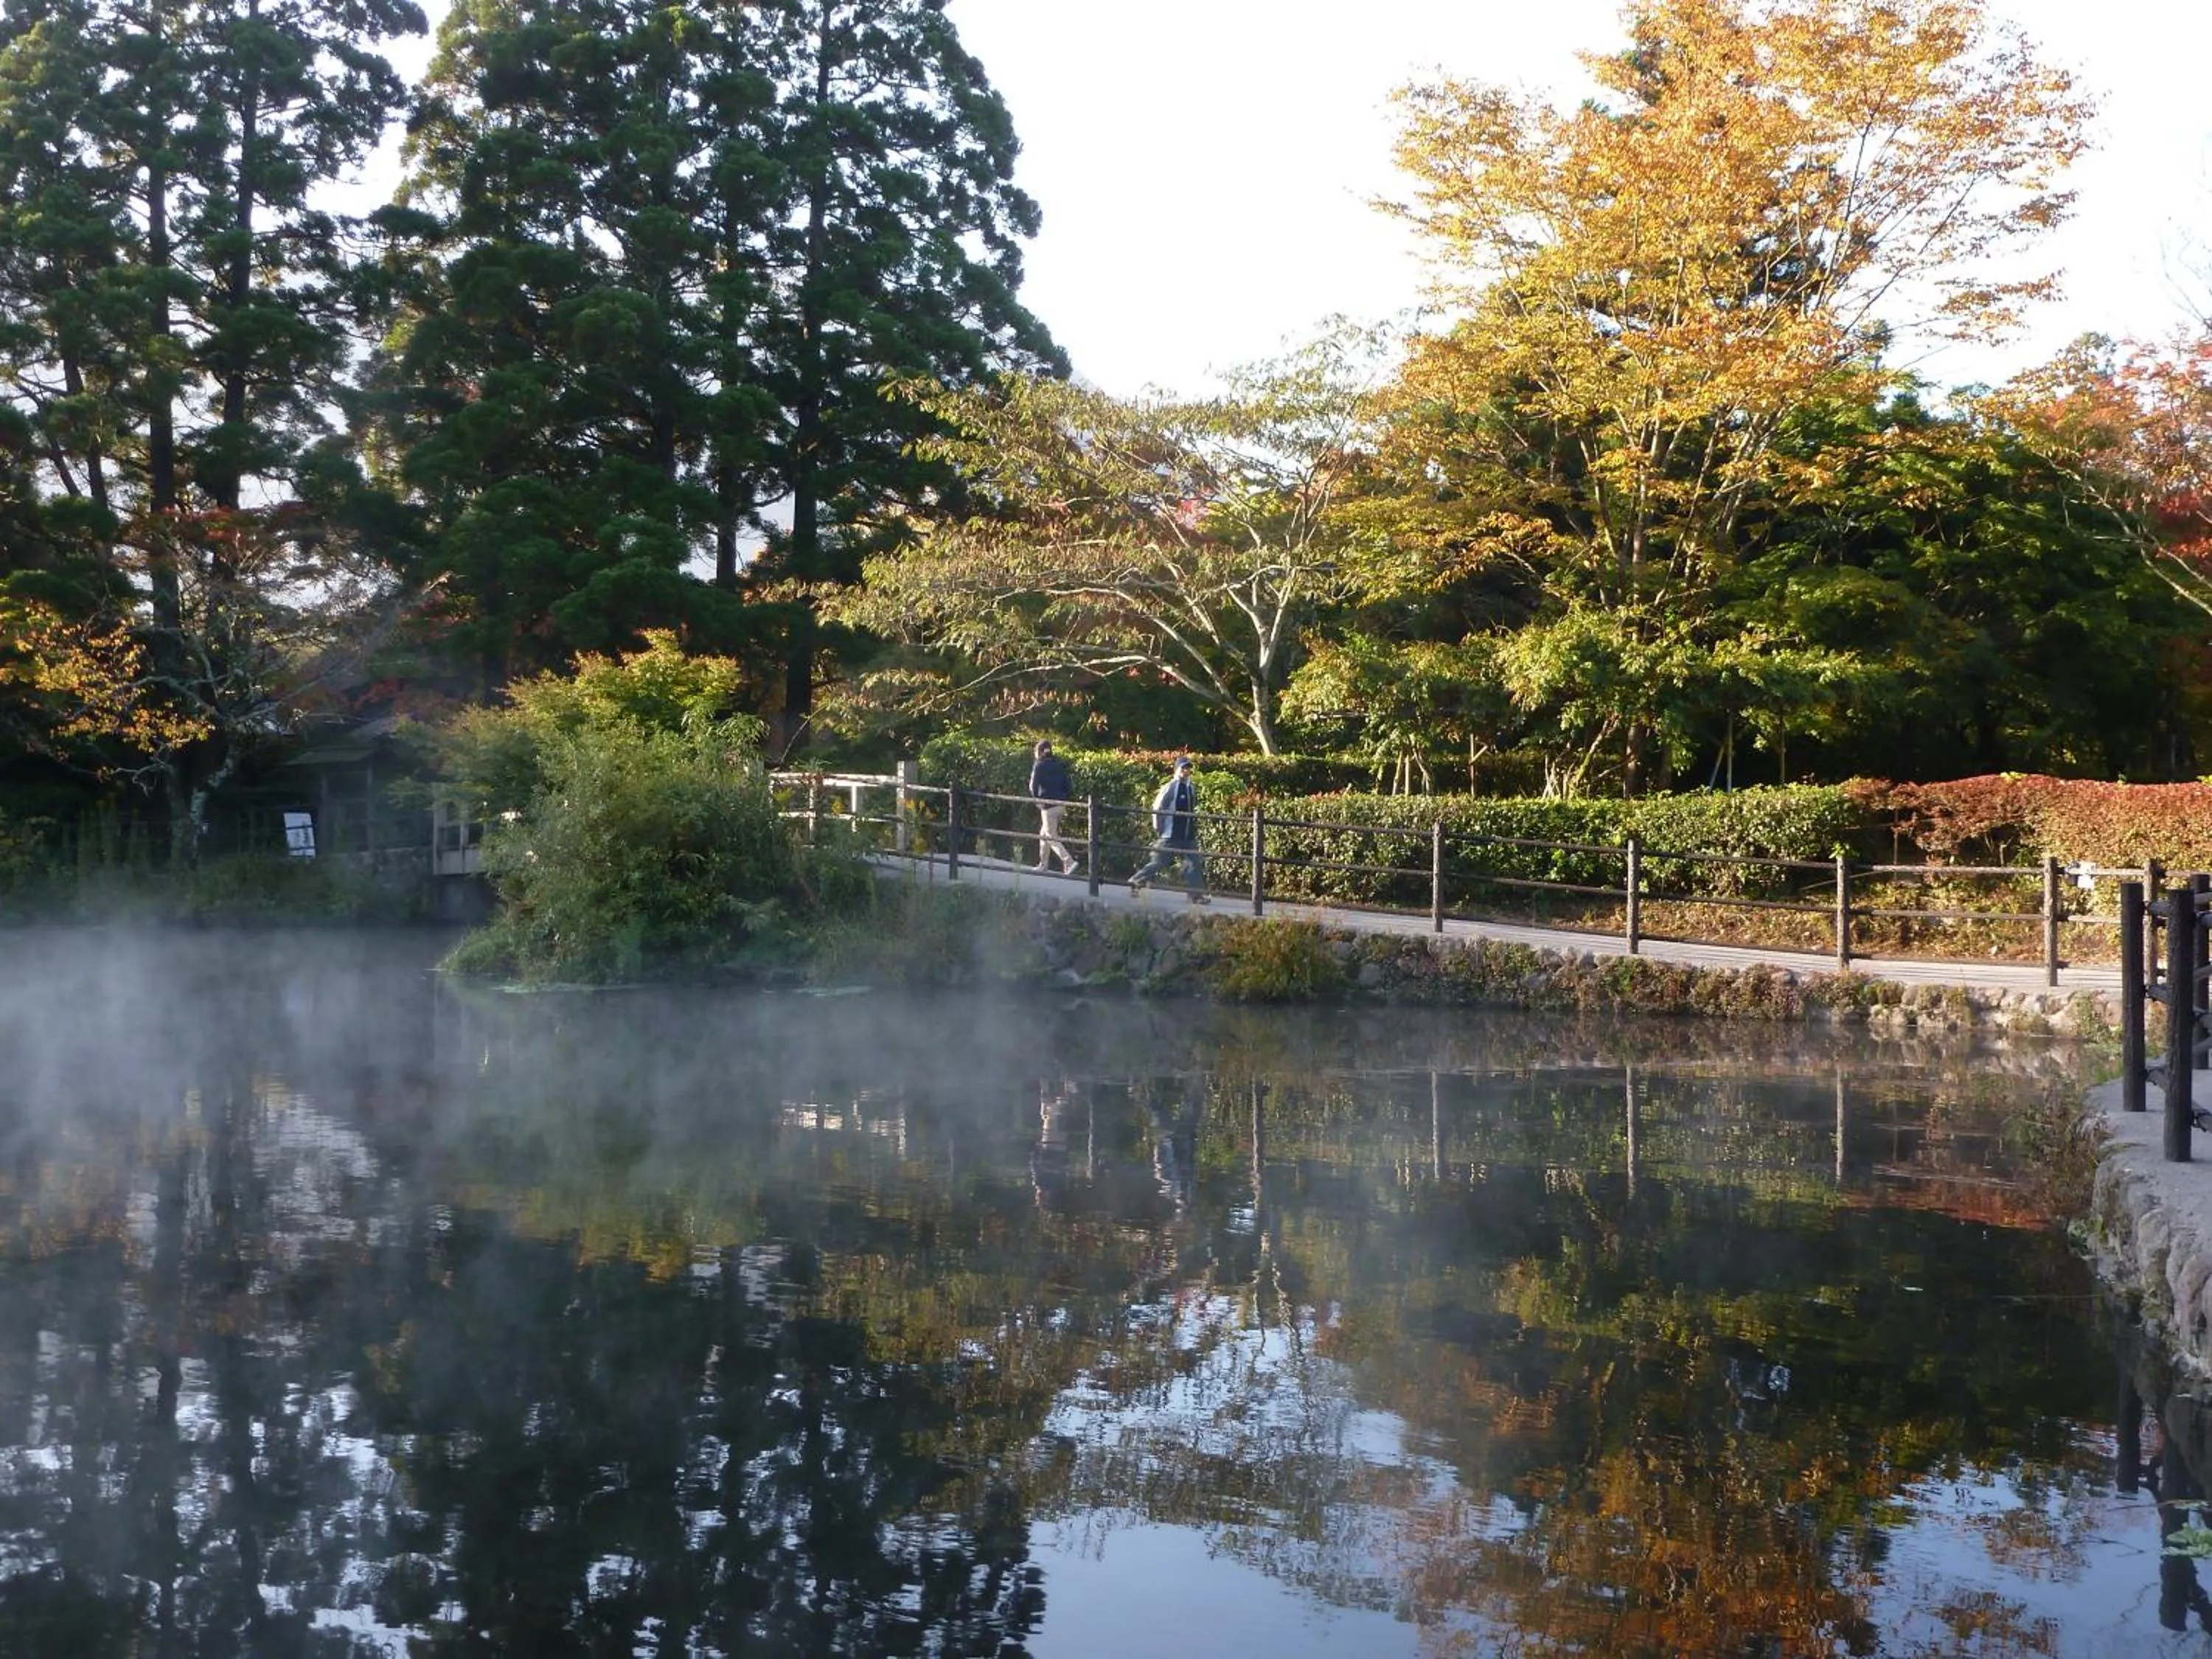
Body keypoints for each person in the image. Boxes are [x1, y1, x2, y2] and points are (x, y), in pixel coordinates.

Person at [1128, 755, 1208, 902]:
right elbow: (1158, 807)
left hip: (1188, 835)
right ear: (1177, 769)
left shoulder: (1191, 788)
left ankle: (1196, 895)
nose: (1186, 771)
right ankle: (1135, 882)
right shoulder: (1170, 787)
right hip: (1171, 835)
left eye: (1188, 768)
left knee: (1193, 863)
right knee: (1159, 862)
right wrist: (1158, 828)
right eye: (1183, 768)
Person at [1028, 739, 1079, 874]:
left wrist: (1038, 801)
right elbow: (1068, 786)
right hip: (1061, 805)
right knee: (1044, 834)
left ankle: (1069, 861)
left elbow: (1033, 787)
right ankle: (1043, 864)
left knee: (1051, 836)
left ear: (1039, 752)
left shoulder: (1039, 765)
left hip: (1048, 806)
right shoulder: (1059, 764)